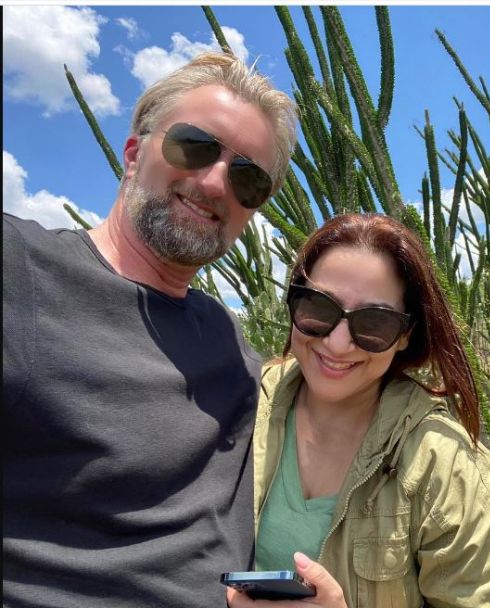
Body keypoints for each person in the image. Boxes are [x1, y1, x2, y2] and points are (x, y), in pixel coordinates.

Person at [3, 52, 344, 608]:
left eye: (248, 178)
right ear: (133, 153)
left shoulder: (233, 344)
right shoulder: (19, 269)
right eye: (194, 145)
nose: (215, 182)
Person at [252, 213, 490, 607]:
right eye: (318, 306)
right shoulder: (246, 404)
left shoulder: (445, 469)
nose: (337, 343)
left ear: (404, 336)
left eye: (374, 323)